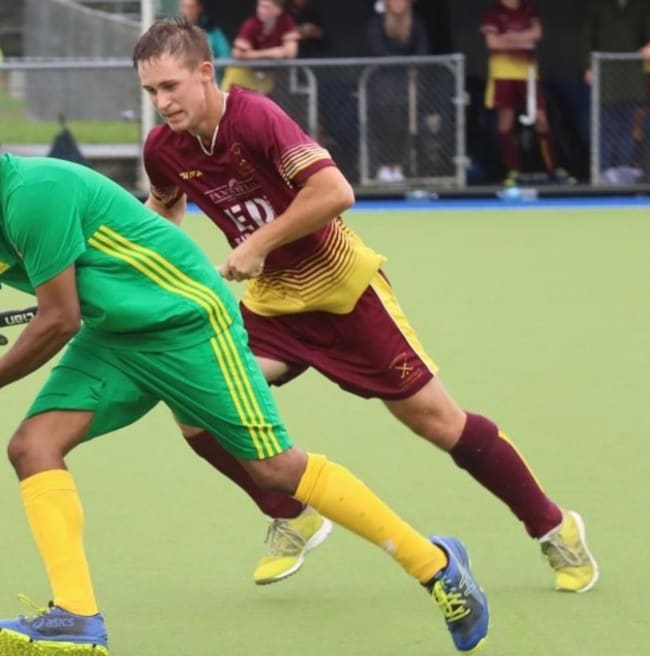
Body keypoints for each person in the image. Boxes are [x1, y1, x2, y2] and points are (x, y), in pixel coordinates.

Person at [0, 94, 490, 655]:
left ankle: (436, 566)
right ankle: (77, 617)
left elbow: (57, 319)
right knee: (33, 446)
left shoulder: (36, 194)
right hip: (116, 337)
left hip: (189, 322)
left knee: (275, 468)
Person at [133, 18, 597, 593]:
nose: (162, 102)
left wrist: (257, 243)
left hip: (345, 293)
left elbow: (335, 192)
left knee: (438, 423)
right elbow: (164, 210)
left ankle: (554, 527)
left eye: (171, 87)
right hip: (275, 307)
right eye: (151, 91)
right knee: (194, 402)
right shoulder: (165, 148)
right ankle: (291, 514)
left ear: (205, 72)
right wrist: (126, 267)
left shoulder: (254, 117)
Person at [479, 0, 571, 185]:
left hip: (528, 72)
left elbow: (537, 34)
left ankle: (554, 168)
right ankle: (512, 170)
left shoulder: (529, 9)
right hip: (502, 73)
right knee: (506, 119)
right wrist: (522, 39)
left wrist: (507, 38)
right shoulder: (492, 12)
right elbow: (493, 43)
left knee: (540, 117)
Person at [578, 0, 650, 184]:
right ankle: (603, 176)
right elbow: (587, 36)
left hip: (631, 74)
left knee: (628, 129)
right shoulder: (597, 5)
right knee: (605, 128)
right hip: (605, 72)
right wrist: (587, 66)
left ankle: (625, 176)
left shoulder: (641, 6)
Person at [365, 0, 429, 183]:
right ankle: (384, 165)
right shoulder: (377, 23)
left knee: (404, 125)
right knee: (385, 124)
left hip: (407, 81)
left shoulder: (415, 22)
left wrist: (411, 65)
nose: (398, 4)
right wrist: (400, 61)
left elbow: (422, 48)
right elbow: (377, 49)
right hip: (383, 81)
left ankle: (400, 166)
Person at [220, 0, 299, 96]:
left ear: (278, 10)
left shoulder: (286, 21)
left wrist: (252, 54)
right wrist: (271, 53)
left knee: (259, 108)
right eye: (259, 6)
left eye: (266, 7)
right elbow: (237, 53)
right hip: (241, 76)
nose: (260, 10)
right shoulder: (251, 24)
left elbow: (290, 52)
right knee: (230, 106)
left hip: (265, 76)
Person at [179, 0, 231, 85]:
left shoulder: (212, 32)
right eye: (185, 7)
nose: (187, 11)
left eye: (191, 7)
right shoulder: (175, 32)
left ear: (199, 8)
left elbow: (226, 56)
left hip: (208, 83)